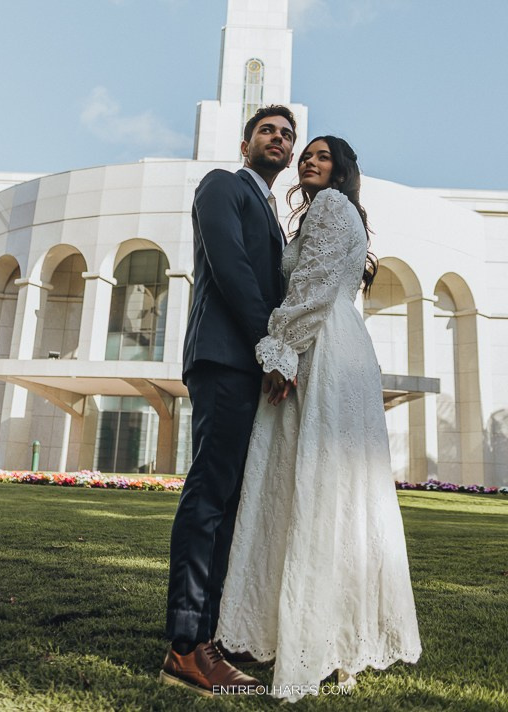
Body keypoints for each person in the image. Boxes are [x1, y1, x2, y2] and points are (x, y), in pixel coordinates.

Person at [216, 136, 422, 701]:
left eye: (321, 155)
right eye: (306, 155)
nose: (308, 160)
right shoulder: (332, 212)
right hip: (342, 342)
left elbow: (311, 287)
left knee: (313, 480)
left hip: (323, 345)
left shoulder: (330, 207)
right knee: (331, 485)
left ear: (341, 170)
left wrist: (281, 352)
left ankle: (320, 636)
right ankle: (324, 633)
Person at [160, 105, 296, 697]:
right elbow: (232, 267)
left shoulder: (272, 212)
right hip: (224, 357)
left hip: (251, 365)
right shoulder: (222, 186)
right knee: (210, 496)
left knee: (232, 503)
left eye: (287, 135)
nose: (280, 139)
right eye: (268, 130)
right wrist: (269, 346)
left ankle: (211, 637)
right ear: (246, 145)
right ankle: (186, 646)